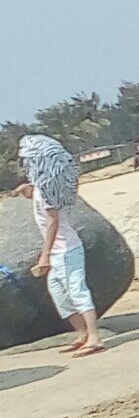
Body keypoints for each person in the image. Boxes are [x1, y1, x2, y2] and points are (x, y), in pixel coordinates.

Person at [11, 135, 104, 357]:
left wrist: (45, 255)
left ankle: (94, 337)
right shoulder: (44, 187)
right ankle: (82, 333)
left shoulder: (48, 190)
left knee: (77, 291)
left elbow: (53, 221)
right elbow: (41, 200)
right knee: (59, 293)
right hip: (60, 252)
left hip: (67, 250)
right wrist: (28, 190)